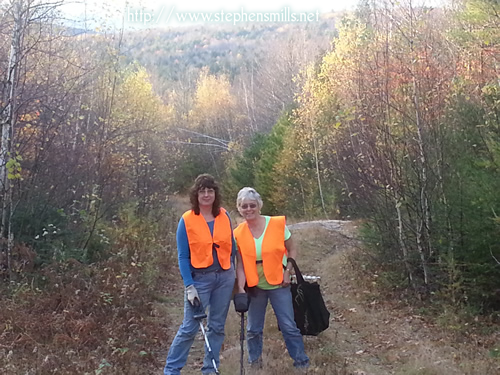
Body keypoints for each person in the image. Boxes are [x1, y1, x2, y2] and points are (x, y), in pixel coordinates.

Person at [163, 174, 236, 375]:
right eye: (202, 191)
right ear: (196, 194)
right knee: (190, 327)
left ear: (215, 193)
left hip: (224, 277)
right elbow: (183, 257)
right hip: (200, 280)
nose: (206, 195)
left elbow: (233, 249)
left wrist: (236, 276)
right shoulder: (186, 220)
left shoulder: (224, 216)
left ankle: (210, 369)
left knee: (217, 326)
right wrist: (189, 286)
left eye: (210, 191)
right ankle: (171, 370)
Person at [234, 187, 309, 370]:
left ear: (259, 206)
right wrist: (241, 289)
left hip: (279, 283)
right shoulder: (238, 233)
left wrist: (288, 271)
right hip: (255, 287)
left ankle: (301, 363)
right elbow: (241, 264)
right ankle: (254, 363)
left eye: (252, 205)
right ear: (239, 208)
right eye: (244, 206)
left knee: (288, 326)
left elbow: (292, 249)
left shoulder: (276, 224)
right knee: (253, 330)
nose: (249, 209)